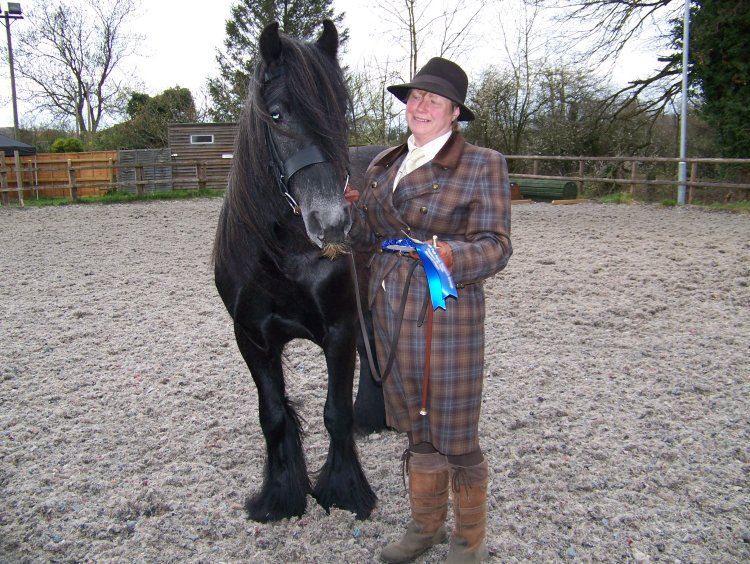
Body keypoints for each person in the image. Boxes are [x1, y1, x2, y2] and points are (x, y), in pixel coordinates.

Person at [349, 57, 513, 563]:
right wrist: (347, 211)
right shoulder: (383, 165)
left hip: (448, 312)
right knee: (417, 427)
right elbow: (366, 236)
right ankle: (426, 527)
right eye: (414, 97)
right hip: (391, 308)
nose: (420, 105)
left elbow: (497, 245)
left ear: (454, 112)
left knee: (456, 431)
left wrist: (452, 256)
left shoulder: (482, 163)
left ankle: (469, 540)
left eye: (433, 100)